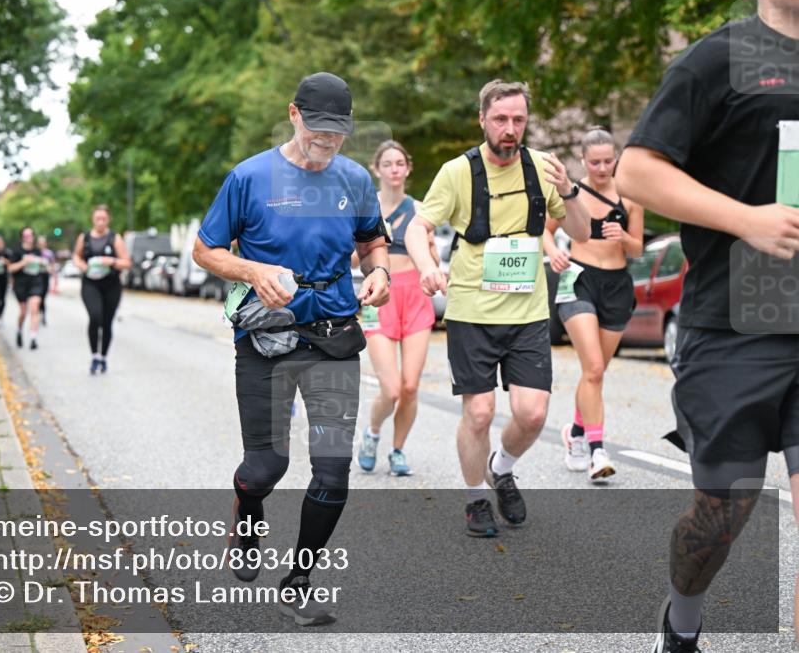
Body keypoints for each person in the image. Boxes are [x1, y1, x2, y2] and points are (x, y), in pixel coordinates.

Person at [614, 0, 799, 650]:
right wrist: (746, 219)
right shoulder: (722, 58)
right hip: (735, 322)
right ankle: (682, 622)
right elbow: (636, 171)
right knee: (722, 516)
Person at [193, 72, 390, 625]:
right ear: (294, 115)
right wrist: (253, 271)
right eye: (318, 126)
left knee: (332, 471)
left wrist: (379, 272)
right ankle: (246, 510)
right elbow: (205, 250)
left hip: (333, 336)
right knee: (265, 467)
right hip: (266, 337)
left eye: (338, 130)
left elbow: (372, 240)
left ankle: (299, 580)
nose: (327, 138)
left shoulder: (355, 178)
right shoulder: (249, 177)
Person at [404, 79, 591, 538]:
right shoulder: (457, 172)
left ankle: (500, 468)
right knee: (480, 412)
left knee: (532, 414)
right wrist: (427, 266)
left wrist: (569, 191)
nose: (510, 128)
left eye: (518, 120)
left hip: (528, 312)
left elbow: (582, 232)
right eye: (501, 119)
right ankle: (475, 499)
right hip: (472, 310)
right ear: (483, 119)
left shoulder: (543, 168)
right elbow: (417, 227)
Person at [544, 128, 644, 483]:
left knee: (595, 372)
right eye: (595, 162)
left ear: (616, 158)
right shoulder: (572, 193)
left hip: (617, 286)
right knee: (594, 368)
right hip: (579, 280)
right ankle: (597, 450)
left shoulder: (630, 196)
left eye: (608, 161)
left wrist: (625, 237)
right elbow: (544, 229)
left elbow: (638, 250)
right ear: (583, 160)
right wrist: (554, 252)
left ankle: (575, 432)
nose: (602, 168)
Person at [356, 140, 440, 477]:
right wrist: (373, 245)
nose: (394, 169)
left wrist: (431, 252)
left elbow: (433, 261)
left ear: (408, 168)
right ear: (376, 169)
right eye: (388, 164)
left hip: (415, 296)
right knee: (390, 389)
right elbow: (353, 258)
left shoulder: (420, 210)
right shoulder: (367, 207)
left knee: (409, 387)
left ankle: (398, 450)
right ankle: (373, 432)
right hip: (380, 295)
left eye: (400, 163)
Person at [72, 206, 131, 374]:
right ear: (93, 219)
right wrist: (82, 265)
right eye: (97, 218)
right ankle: (94, 355)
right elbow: (76, 256)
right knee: (95, 316)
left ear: (108, 219)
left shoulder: (115, 238)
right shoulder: (84, 237)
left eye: (103, 219)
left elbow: (126, 262)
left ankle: (103, 357)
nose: (100, 222)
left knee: (106, 322)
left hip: (111, 284)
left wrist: (111, 261)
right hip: (90, 283)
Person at [7, 227, 46, 350]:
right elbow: (10, 268)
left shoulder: (37, 251)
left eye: (31, 235)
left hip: (35, 283)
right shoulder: (17, 251)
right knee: (23, 312)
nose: (29, 238)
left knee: (35, 308)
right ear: (22, 238)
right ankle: (19, 330)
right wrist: (23, 262)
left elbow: (44, 266)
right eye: (26, 235)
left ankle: (33, 338)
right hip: (21, 285)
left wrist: (42, 262)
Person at [36, 235, 58, 327]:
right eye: (39, 243)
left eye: (43, 242)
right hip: (36, 278)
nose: (41, 244)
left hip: (45, 277)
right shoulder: (35, 253)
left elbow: (53, 266)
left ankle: (43, 315)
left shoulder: (49, 253)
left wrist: (55, 277)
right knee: (37, 297)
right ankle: (36, 315)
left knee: (43, 297)